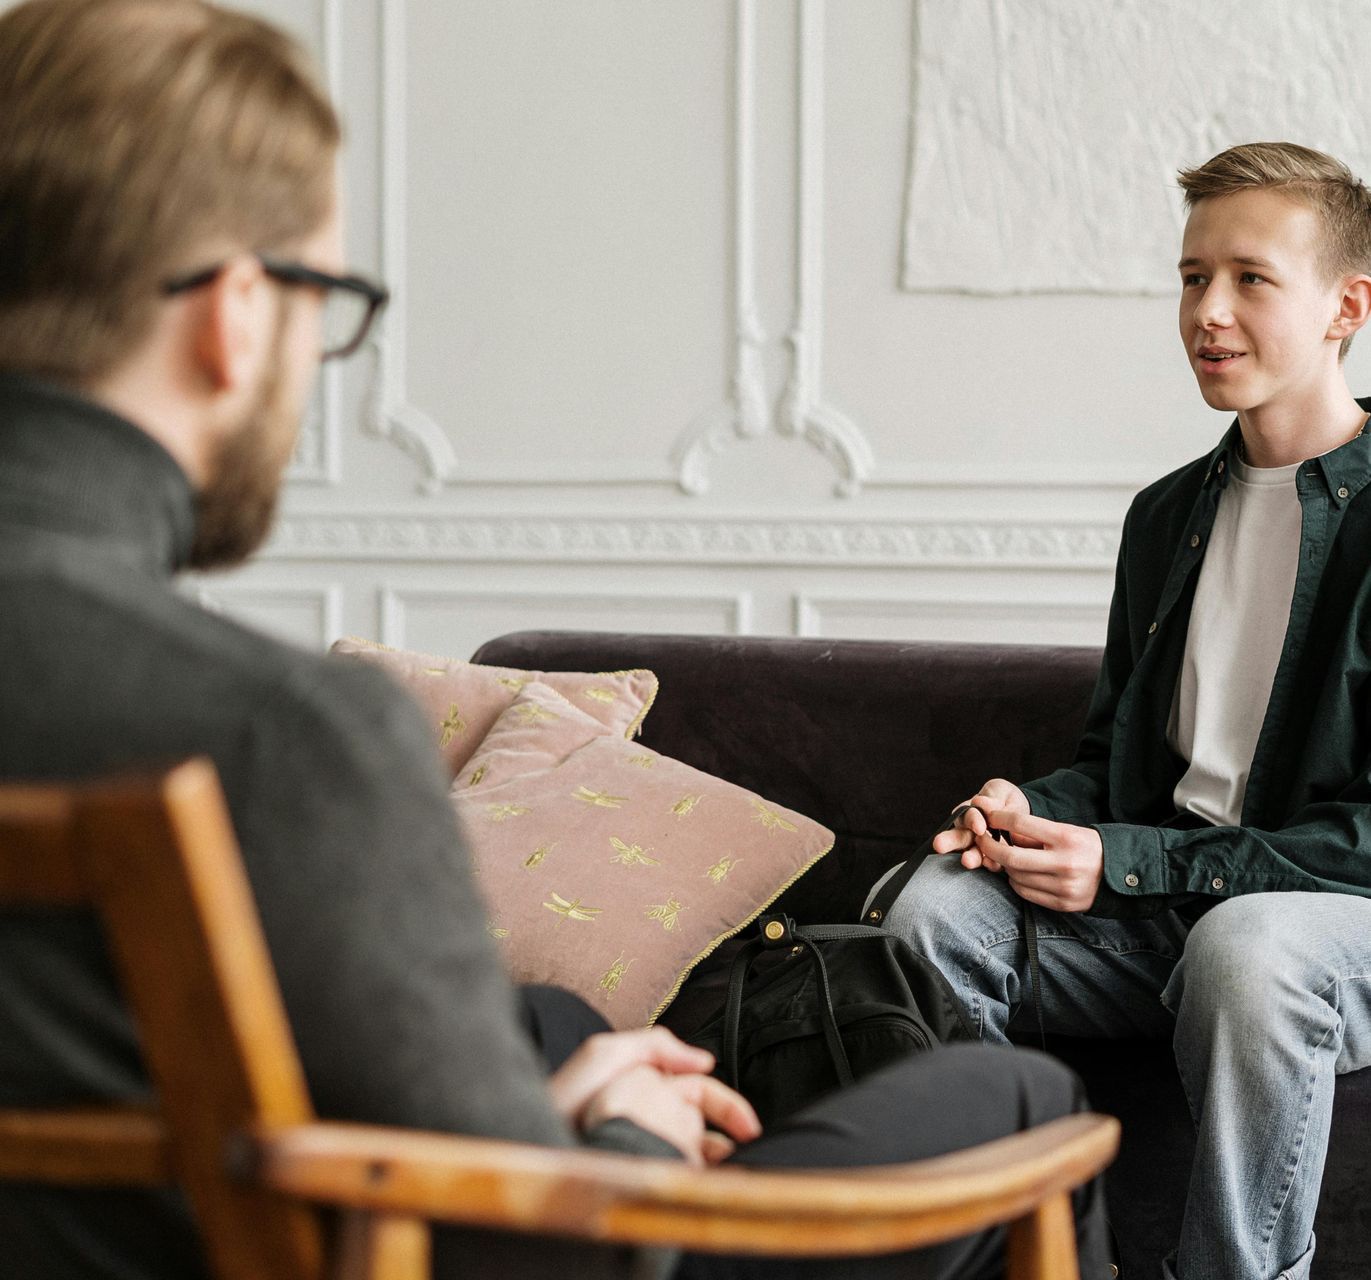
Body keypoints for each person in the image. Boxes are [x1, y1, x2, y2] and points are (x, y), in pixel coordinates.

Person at [0, 2, 1111, 1278]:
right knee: (1018, 1102)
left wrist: (538, 1114)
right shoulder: (286, 739)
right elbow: (544, 1265)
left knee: (543, 1020)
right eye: (329, 304)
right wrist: (619, 1143)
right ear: (237, 312)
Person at [874, 140, 1371, 1280]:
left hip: (1320, 924)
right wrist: (1023, 809)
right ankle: (1028, 1256)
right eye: (1194, 277)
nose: (1209, 311)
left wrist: (1132, 862)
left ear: (1348, 304)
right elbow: (1114, 762)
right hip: (1169, 909)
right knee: (931, 911)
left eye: (1251, 278)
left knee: (1249, 950)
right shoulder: (1166, 518)